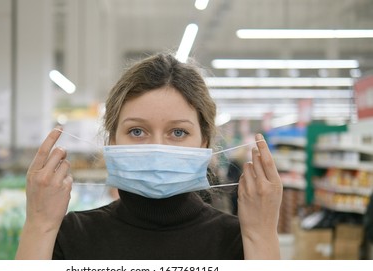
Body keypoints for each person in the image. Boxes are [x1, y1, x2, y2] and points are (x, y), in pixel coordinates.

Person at [15, 53, 283, 260]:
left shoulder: (240, 240)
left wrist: (262, 236)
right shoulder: (69, 236)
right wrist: (38, 226)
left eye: (178, 132)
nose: (157, 147)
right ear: (112, 140)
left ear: (205, 143)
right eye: (137, 130)